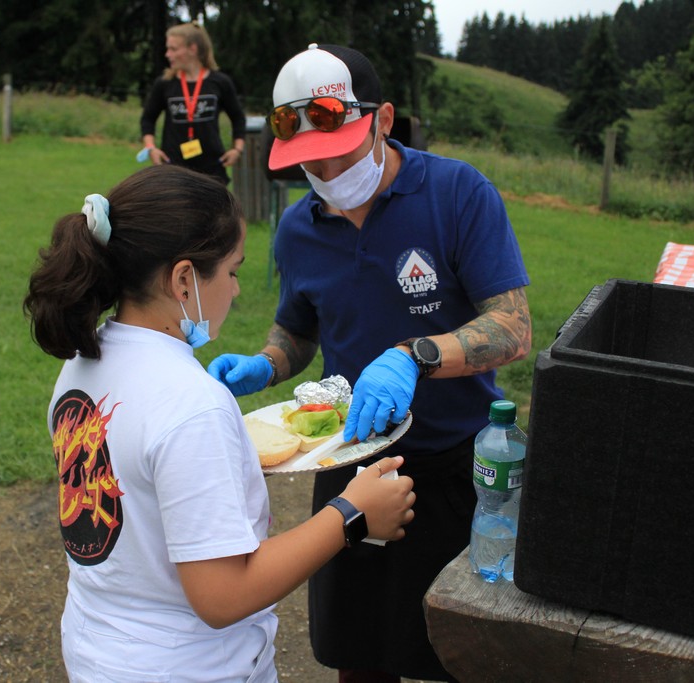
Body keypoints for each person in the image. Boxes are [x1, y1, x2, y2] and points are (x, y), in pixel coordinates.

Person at [207, 44, 533, 682]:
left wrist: (416, 355)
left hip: (452, 468)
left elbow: (513, 327)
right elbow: (298, 331)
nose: (324, 169)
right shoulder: (299, 229)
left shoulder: (456, 192)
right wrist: (267, 364)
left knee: (457, 656)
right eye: (307, 160)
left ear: (383, 120)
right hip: (349, 462)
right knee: (358, 654)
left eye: (339, 148)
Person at [22, 163, 416, 682]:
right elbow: (223, 595)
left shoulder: (81, 364)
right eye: (231, 271)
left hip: (100, 651)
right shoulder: (192, 403)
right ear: (184, 279)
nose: (235, 290)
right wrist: (353, 513)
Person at [139, 22, 247, 185]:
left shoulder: (220, 82)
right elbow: (147, 119)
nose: (168, 54)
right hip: (173, 168)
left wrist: (237, 149)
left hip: (212, 170)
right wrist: (151, 148)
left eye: (173, 49)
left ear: (193, 49)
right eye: (168, 49)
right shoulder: (165, 83)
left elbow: (238, 118)